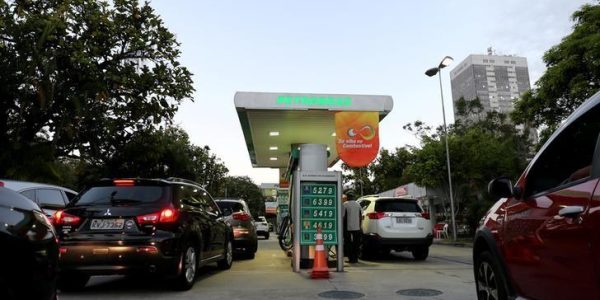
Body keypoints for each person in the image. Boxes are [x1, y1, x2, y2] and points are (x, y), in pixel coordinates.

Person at [342, 193, 362, 263]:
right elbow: (360, 215)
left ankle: (351, 258)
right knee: (356, 243)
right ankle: (355, 258)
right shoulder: (358, 204)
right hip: (357, 227)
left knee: (348, 243)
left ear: (347, 197)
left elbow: (343, 216)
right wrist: (360, 226)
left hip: (347, 227)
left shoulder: (345, 204)